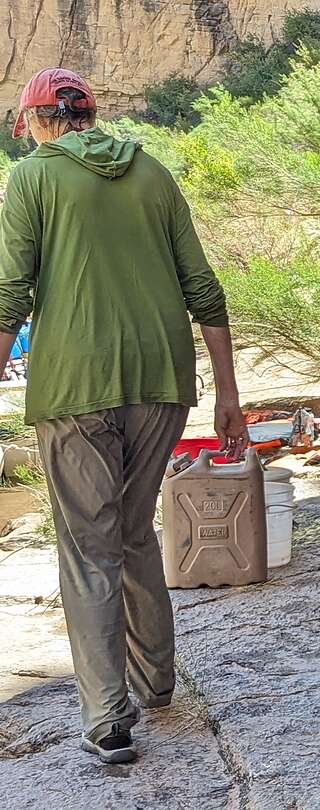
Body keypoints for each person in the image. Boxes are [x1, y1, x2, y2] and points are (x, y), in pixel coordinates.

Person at [0, 68, 248, 763]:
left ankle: (109, 716)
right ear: (90, 116)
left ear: (38, 122)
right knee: (134, 527)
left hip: (75, 384)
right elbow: (203, 286)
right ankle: (158, 681)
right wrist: (228, 394)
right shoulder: (153, 174)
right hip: (160, 379)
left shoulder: (33, 179)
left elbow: (10, 293)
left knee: (88, 548)